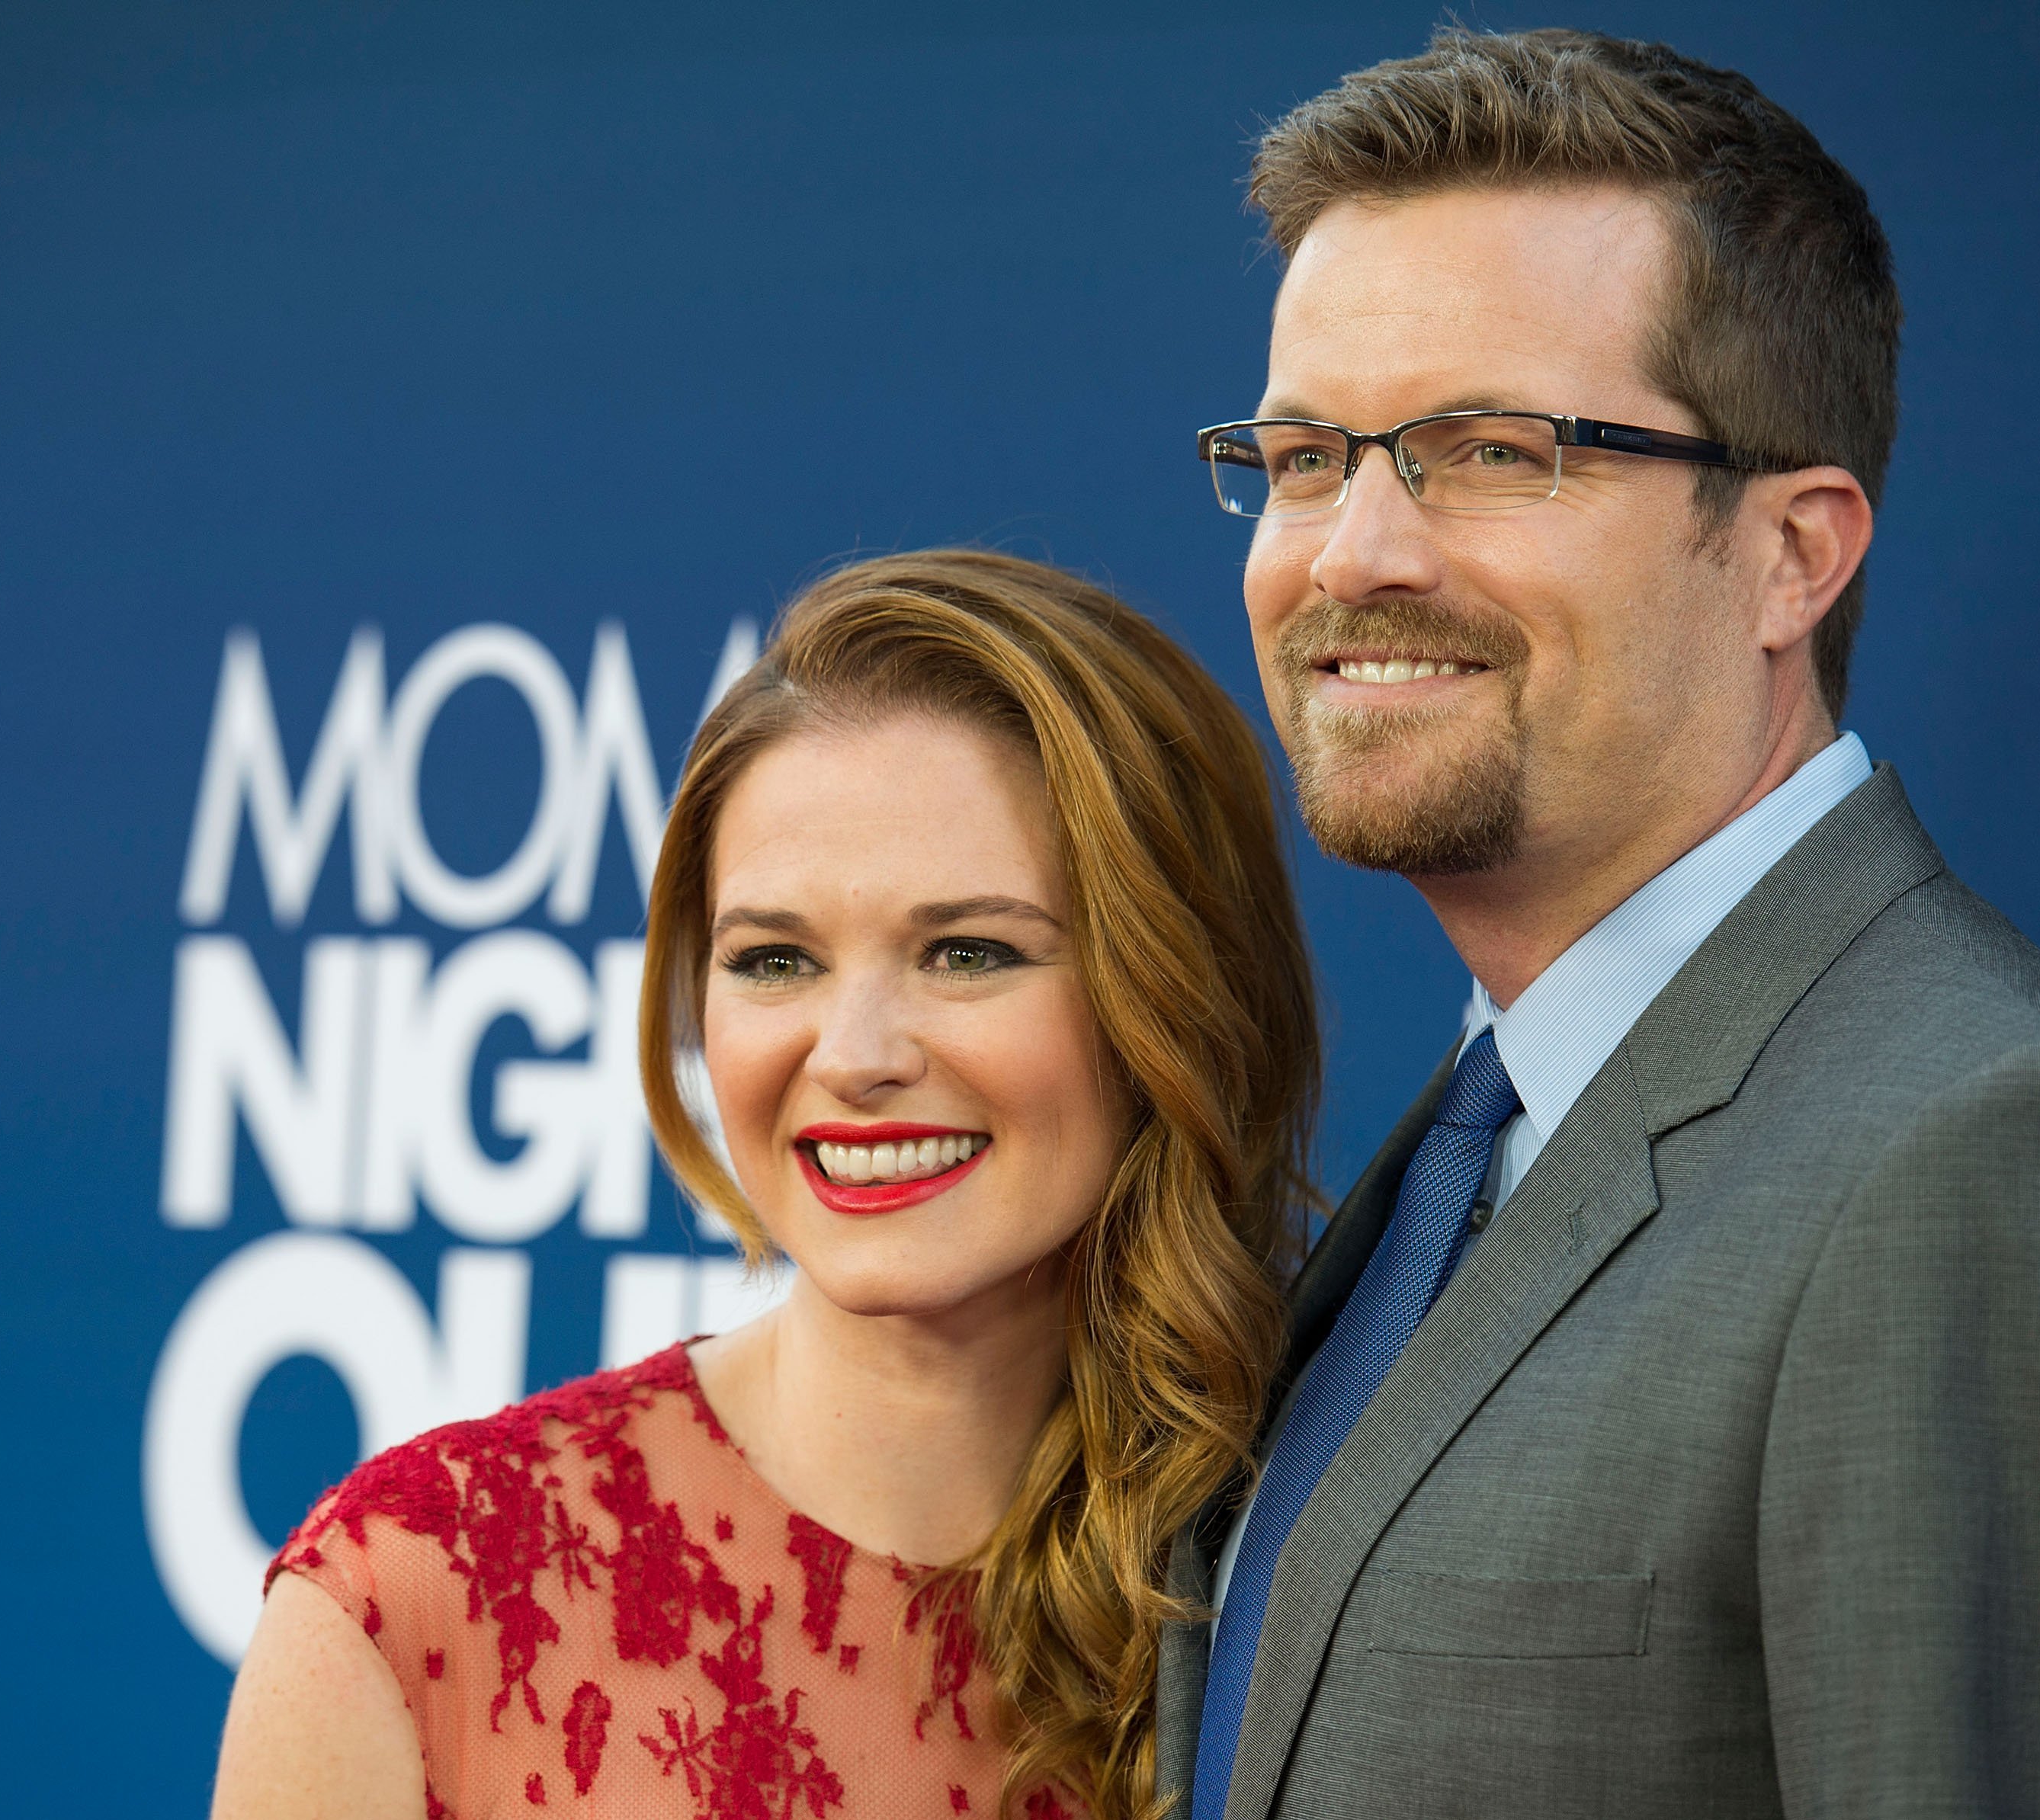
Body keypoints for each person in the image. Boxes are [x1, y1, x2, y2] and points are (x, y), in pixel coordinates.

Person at [1167, 26, 2040, 1820]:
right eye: (1308, 455)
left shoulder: (1989, 1157)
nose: (1352, 554)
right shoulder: (1465, 1151)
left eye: (1489, 450)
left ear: (1795, 553)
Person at [210, 550, 1320, 1820]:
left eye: (968, 952)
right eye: (776, 960)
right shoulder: (413, 1598)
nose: (853, 1058)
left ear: (1173, 994)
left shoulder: (1345, 1555)